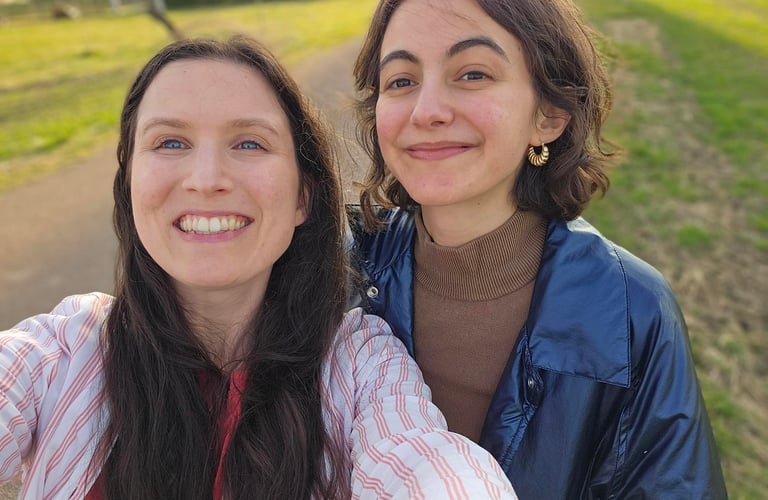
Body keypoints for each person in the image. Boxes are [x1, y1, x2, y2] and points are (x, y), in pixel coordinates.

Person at [0, 36, 518, 499]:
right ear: (130, 187)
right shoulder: (64, 351)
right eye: (170, 142)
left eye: (249, 143)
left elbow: (425, 462)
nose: (207, 179)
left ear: (303, 198)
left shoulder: (362, 365)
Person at [347, 0, 727, 498]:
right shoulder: (343, 267)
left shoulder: (631, 311)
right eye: (401, 81)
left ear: (549, 114)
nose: (427, 111)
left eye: (473, 74)